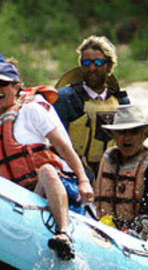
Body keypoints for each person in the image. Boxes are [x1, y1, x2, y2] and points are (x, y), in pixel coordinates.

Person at [0, 62, 94, 261]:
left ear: (16, 87)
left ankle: (63, 233)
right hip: (17, 195)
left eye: (2, 84)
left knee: (47, 169)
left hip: (48, 185)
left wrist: (83, 180)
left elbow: (63, 147)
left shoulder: (32, 110)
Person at [94, 104, 148, 240]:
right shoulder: (109, 158)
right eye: (121, 132)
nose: (127, 138)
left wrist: (142, 225)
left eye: (133, 132)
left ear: (144, 134)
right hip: (110, 232)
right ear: (113, 135)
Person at [53, 35, 131, 179]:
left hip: (113, 169)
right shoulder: (65, 99)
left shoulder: (121, 101)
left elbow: (132, 142)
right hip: (72, 170)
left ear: (108, 65)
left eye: (98, 62)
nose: (92, 68)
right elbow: (54, 143)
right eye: (86, 62)